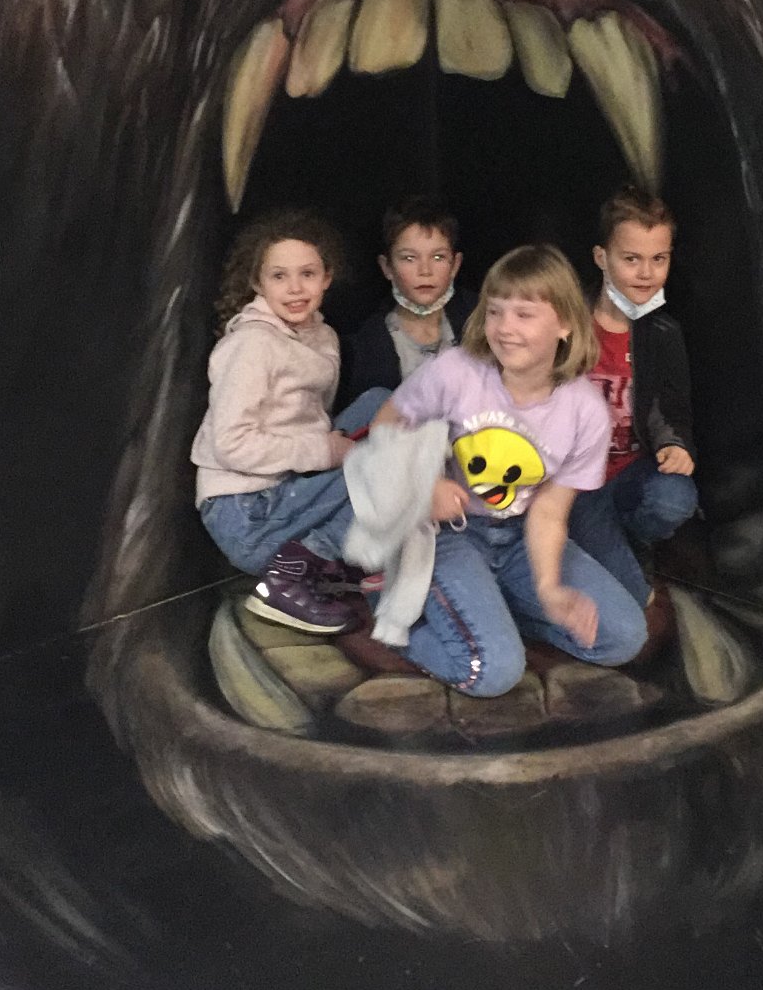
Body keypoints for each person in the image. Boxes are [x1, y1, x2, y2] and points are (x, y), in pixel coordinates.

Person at [371, 244, 648, 694]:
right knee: (494, 673)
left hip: (518, 535)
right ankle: (392, 615)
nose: (505, 328)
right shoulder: (456, 371)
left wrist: (550, 589)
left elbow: (549, 512)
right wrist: (426, 485)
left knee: (624, 637)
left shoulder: (585, 411)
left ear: (565, 324)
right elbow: (385, 424)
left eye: (524, 315)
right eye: (496, 312)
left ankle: (496, 610)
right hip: (447, 536)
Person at [191, 209, 386, 634]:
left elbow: (311, 421)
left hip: (286, 488)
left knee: (382, 406)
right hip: (246, 512)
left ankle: (341, 555)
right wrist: (328, 453)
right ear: (258, 283)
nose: (295, 288)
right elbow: (232, 444)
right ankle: (290, 575)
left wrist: (330, 453)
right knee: (384, 462)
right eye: (279, 276)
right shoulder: (252, 345)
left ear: (327, 277)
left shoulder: (323, 336)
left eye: (307, 274)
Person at [568, 190, 698, 614]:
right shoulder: (567, 323)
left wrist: (675, 444)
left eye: (658, 259)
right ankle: (590, 543)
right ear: (601, 257)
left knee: (675, 498)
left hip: (629, 475)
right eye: (631, 259)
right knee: (635, 600)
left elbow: (673, 409)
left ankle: (630, 538)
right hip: (575, 486)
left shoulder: (663, 333)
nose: (646, 273)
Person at [342, 197, 477, 401]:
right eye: (409, 258)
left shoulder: (483, 320)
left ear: (455, 265)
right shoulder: (367, 345)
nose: (425, 271)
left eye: (438, 257)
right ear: (387, 267)